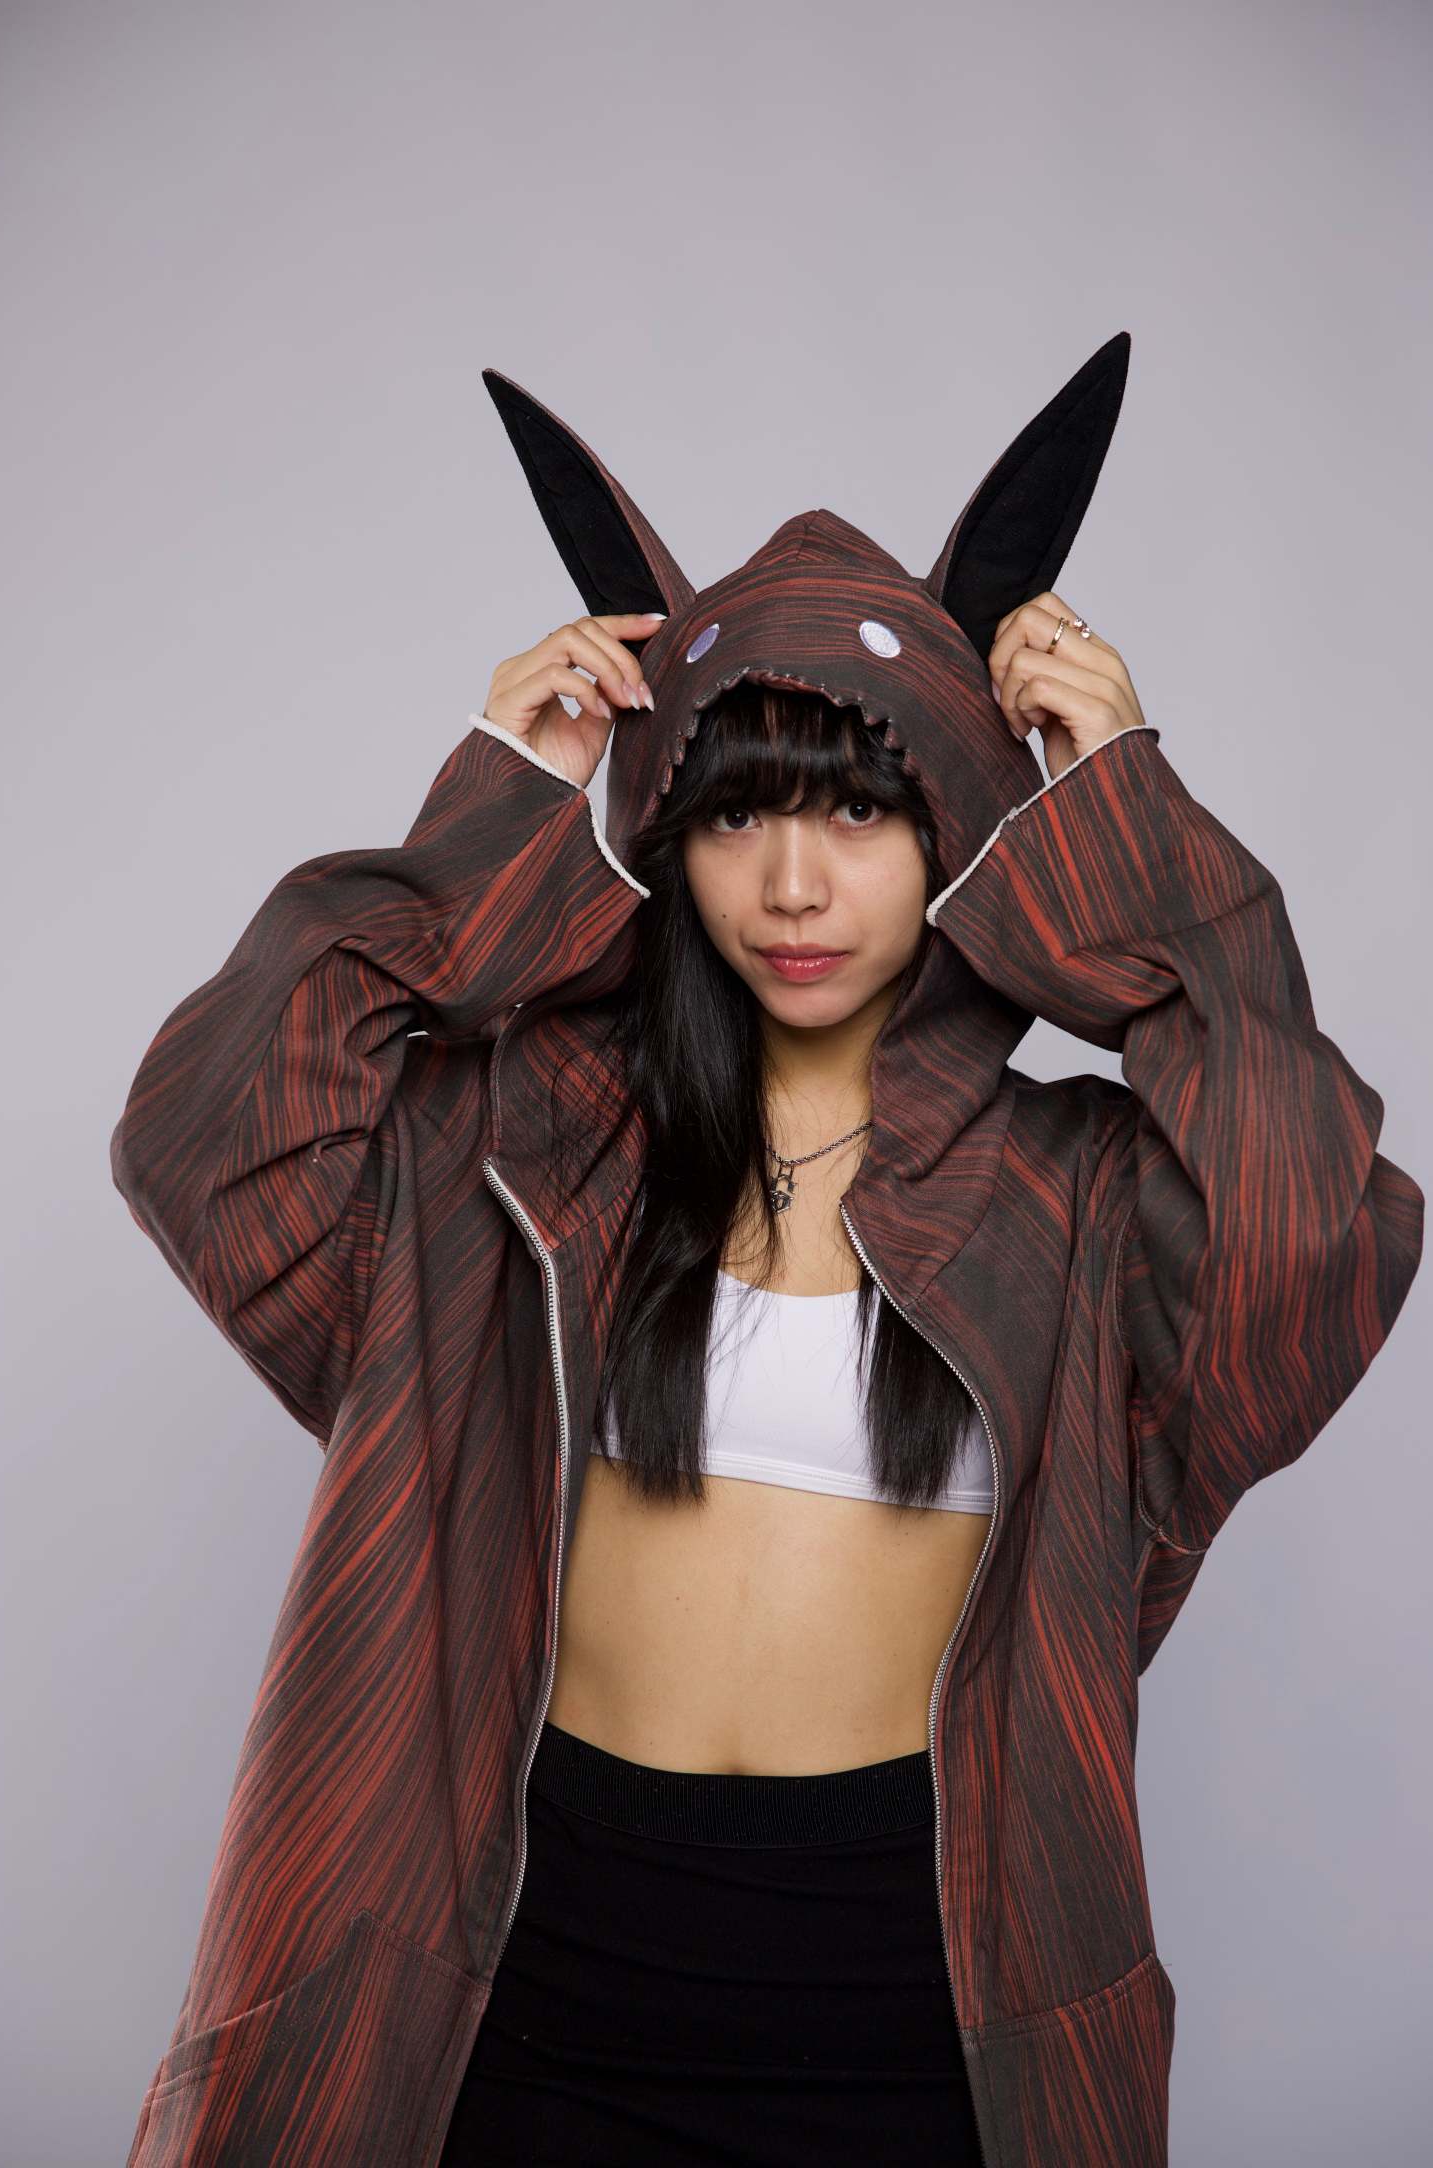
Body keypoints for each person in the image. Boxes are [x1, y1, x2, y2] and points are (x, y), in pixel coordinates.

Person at [111, 336, 1423, 2168]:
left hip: (922, 1981)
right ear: (668, 833)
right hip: (521, 1959)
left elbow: (1309, 1245)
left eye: (859, 811)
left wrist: (1125, 817)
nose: (794, 887)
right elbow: (207, 1134)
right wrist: (498, 806)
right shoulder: (526, 1148)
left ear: (952, 820)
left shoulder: (1071, 1193)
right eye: (735, 813)